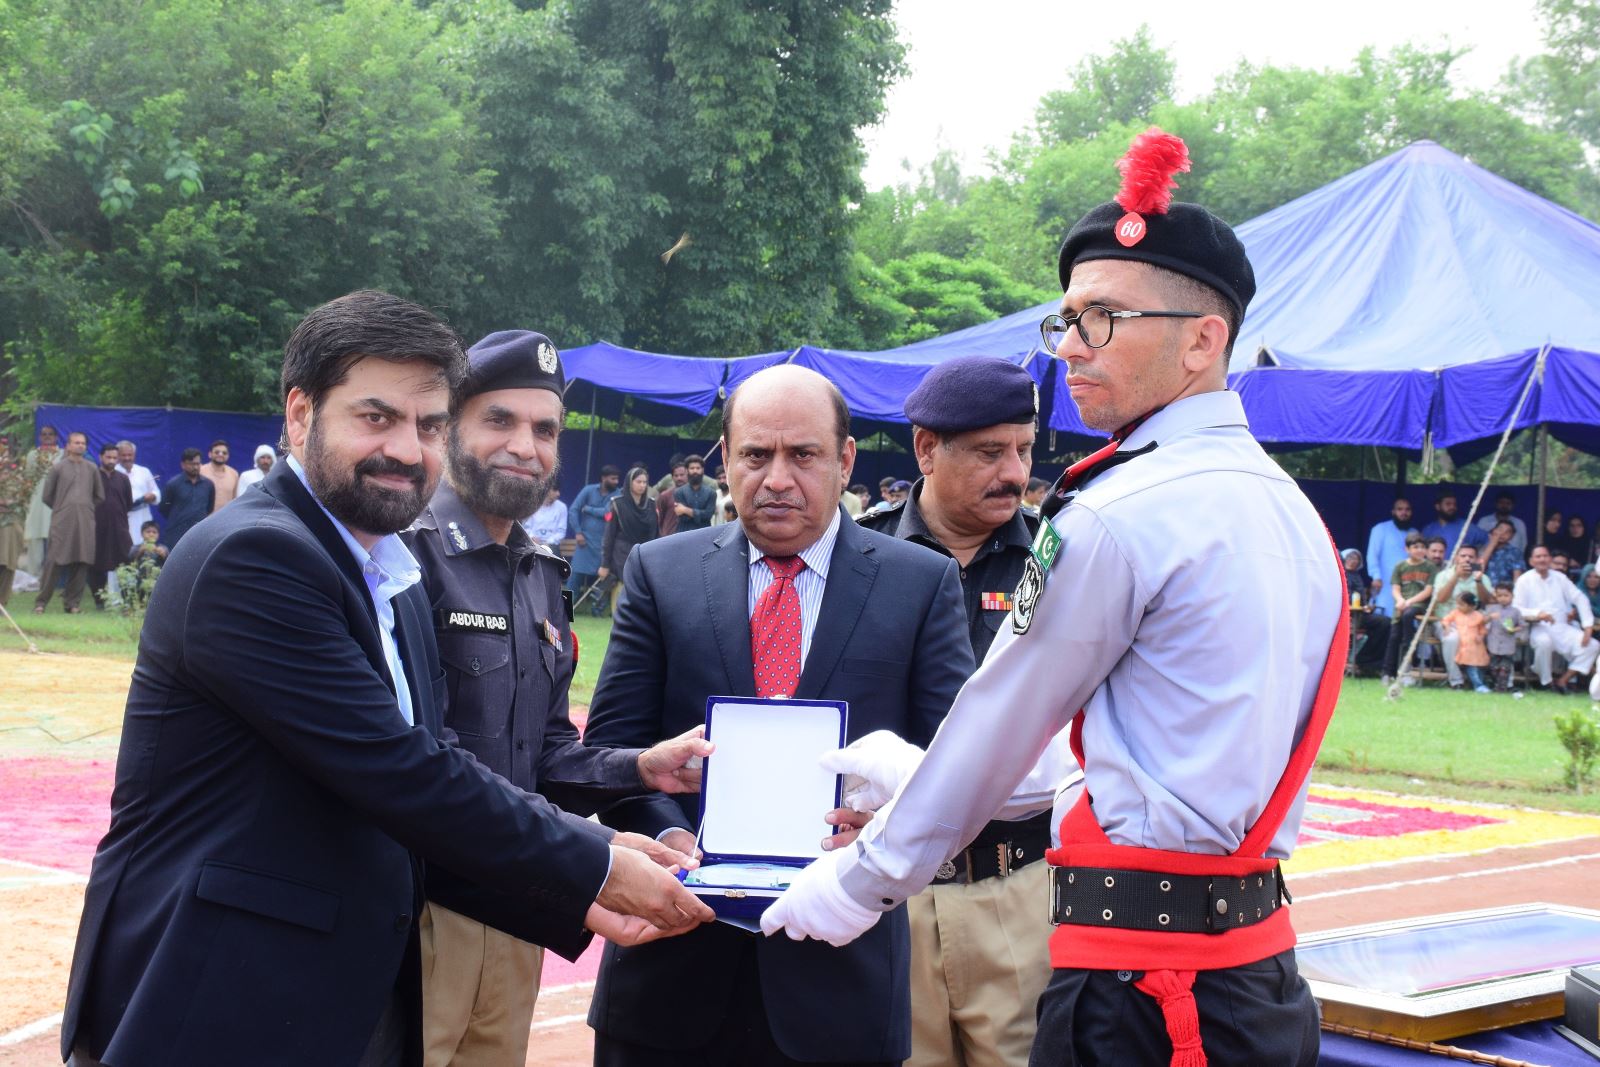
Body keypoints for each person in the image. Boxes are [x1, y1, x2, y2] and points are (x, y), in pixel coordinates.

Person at [764, 129, 1344, 1066]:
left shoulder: (1121, 509)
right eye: (1068, 318)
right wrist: (917, 773)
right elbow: (1138, 762)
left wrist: (859, 883)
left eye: (1104, 318)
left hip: (1144, 990)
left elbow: (1004, 720)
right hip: (1254, 975)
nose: (1070, 345)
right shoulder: (1291, 512)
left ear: (1203, 340)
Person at [61, 290, 712, 1067]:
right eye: (376, 417)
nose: (407, 449)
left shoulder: (389, 572)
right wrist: (595, 866)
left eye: (428, 425)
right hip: (217, 1004)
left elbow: (430, 781)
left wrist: (592, 855)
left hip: (344, 998)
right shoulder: (256, 557)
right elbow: (403, 773)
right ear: (300, 415)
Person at [582, 363, 975, 1067]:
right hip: (670, 974)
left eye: (804, 455)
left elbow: (955, 767)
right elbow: (612, 748)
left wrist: (884, 829)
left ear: (845, 459)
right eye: (757, 454)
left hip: (841, 985)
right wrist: (672, 840)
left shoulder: (921, 582)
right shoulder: (660, 571)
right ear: (726, 458)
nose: (778, 478)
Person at [403, 329, 712, 1067]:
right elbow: (423, 764)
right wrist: (594, 850)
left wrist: (641, 768)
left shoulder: (540, 572)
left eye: (545, 429)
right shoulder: (405, 555)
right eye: (499, 420)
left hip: (518, 909)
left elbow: (542, 751)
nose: (525, 446)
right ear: (449, 426)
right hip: (417, 916)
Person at [856, 355, 1072, 1067]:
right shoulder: (860, 557)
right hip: (890, 892)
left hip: (1017, 887)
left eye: (1024, 450)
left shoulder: (1060, 560)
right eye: (989, 452)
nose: (1015, 473)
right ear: (926, 448)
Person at [1513, 545, 1597, 693]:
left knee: (1593, 645)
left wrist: (1588, 626)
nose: (1542, 559)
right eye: (1538, 556)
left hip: (1562, 627)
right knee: (1543, 642)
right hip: (1538, 626)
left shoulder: (1560, 578)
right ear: (1531, 561)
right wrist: (1537, 613)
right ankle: (1546, 682)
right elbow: (1517, 608)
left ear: (1550, 559)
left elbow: (1580, 598)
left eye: (1545, 556)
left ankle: (1563, 680)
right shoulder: (1524, 580)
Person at [35, 431, 102, 614]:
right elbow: (47, 496)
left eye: (83, 443)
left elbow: (98, 496)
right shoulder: (58, 468)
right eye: (76, 442)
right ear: (68, 445)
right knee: (54, 560)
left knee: (82, 561)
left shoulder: (92, 468)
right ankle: (41, 602)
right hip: (61, 522)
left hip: (85, 522)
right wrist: (64, 508)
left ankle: (72, 604)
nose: (80, 446)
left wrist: (84, 508)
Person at [1432, 545, 1494, 689]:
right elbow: (1440, 599)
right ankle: (1456, 681)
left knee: (1489, 635)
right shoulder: (1443, 575)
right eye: (1463, 556)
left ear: (1476, 560)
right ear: (1456, 558)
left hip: (1474, 623)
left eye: (1471, 557)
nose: (1467, 559)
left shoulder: (1482, 577)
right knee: (1452, 639)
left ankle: (1485, 678)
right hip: (1448, 621)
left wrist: (1478, 581)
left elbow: (1487, 600)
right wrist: (1456, 576)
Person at [598, 466, 658, 616]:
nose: (642, 485)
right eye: (638, 482)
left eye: (645, 482)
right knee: (621, 597)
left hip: (644, 555)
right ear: (630, 482)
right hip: (621, 557)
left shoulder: (651, 504)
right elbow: (609, 536)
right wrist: (605, 564)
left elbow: (656, 534)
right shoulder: (617, 504)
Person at [1382, 533, 1438, 683]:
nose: (1419, 550)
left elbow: (1428, 591)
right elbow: (1395, 588)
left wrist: (1409, 602)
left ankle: (1408, 655)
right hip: (1401, 606)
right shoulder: (1400, 566)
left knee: (1408, 615)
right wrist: (1400, 600)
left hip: (1419, 605)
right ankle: (1387, 672)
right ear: (1407, 549)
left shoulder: (1430, 567)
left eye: (1422, 547)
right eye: (1415, 547)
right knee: (1394, 637)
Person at [568, 464, 619, 615]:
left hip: (605, 544)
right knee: (575, 576)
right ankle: (565, 608)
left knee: (603, 578)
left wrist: (588, 509)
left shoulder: (618, 494)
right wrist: (578, 532)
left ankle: (597, 611)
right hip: (584, 542)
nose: (616, 482)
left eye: (617, 479)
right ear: (603, 478)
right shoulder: (588, 490)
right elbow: (573, 510)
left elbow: (608, 513)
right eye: (613, 479)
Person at [90, 444, 134, 609]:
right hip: (96, 527)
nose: (112, 461)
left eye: (115, 458)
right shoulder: (93, 476)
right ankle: (99, 601)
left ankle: (127, 599)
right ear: (101, 457)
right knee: (96, 563)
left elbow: (128, 503)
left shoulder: (123, 478)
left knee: (125, 560)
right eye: (108, 457)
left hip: (119, 527)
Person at [1365, 497, 1416, 616]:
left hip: (1409, 583)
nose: (1404, 513)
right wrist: (1376, 576)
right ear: (1393, 512)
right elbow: (1372, 555)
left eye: (1407, 509)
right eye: (1400, 509)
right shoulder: (1380, 529)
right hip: (1384, 582)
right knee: (1383, 615)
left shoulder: (1414, 533)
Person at [1342, 548, 1390, 676]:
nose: (1353, 561)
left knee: (1385, 623)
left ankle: (1369, 661)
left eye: (1356, 559)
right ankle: (1362, 659)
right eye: (1350, 557)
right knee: (1382, 623)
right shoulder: (1339, 575)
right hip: (1346, 615)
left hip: (1360, 614)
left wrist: (1366, 606)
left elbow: (1360, 598)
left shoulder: (1357, 576)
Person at [22, 424, 60, 576]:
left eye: (50, 434)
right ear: (39, 437)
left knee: (55, 539)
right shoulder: (32, 455)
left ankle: (53, 576)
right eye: (44, 434)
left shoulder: (63, 455)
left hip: (56, 502)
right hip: (36, 502)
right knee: (35, 537)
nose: (47, 437)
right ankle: (33, 575)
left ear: (56, 437)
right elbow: (28, 478)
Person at [158, 447, 214, 548]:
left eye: (198, 464)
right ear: (183, 465)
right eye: (191, 464)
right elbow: (163, 508)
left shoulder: (208, 484)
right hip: (177, 534)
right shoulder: (173, 484)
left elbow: (209, 508)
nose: (195, 467)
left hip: (200, 533)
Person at [1440, 591, 1492, 693]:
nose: (1458, 606)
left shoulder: (1478, 616)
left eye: (1461, 604)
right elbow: (1446, 620)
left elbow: (1482, 628)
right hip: (1463, 646)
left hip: (1474, 647)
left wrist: (1481, 636)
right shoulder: (1455, 613)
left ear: (1471, 606)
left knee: (1476, 666)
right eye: (1457, 604)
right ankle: (1477, 685)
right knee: (1468, 666)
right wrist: (1447, 627)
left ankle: (1478, 684)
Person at [0, 435, 29, 606]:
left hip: (11, 525)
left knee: (7, 564)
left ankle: (2, 601)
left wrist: (8, 503)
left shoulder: (17, 476)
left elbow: (22, 500)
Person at [116, 440, 160, 545]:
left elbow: (156, 492)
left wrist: (153, 496)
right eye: (124, 455)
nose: (127, 458)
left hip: (142, 516)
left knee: (144, 547)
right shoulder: (114, 472)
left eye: (130, 455)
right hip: (123, 517)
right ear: (118, 455)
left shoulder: (144, 471)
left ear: (134, 455)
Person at [1484, 583, 1525, 691]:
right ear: (1496, 596)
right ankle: (1496, 685)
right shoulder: (1492, 609)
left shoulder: (1516, 611)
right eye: (1500, 596)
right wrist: (1490, 617)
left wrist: (1513, 630)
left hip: (1508, 645)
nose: (1503, 598)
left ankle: (1501, 689)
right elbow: (1482, 621)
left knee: (1504, 669)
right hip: (1493, 644)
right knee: (1494, 668)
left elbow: (1522, 625)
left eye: (1506, 596)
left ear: (1512, 596)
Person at [1420, 490, 1487, 551]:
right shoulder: (1428, 529)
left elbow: (1489, 540)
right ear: (1438, 507)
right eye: (1448, 504)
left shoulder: (1467, 526)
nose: (1452, 507)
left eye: (1454, 504)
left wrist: (1481, 558)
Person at [672, 453, 718, 532]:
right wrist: (700, 514)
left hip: (704, 533)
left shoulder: (711, 493)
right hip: (684, 533)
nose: (695, 471)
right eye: (692, 468)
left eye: (698, 468)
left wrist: (685, 510)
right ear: (687, 470)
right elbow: (683, 517)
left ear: (702, 470)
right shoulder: (679, 492)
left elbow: (708, 515)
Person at [198, 439, 240, 511]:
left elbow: (234, 499)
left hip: (226, 516)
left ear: (228, 456)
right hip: (204, 516)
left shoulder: (234, 474)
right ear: (210, 454)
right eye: (217, 452)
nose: (220, 454)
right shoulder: (200, 471)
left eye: (224, 453)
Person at [1481, 518, 1524, 588]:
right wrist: (1491, 545)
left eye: (1507, 532)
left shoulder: (1515, 552)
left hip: (1505, 591)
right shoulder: (1481, 548)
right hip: (1484, 590)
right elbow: (1477, 569)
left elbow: (1517, 576)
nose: (1502, 533)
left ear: (1512, 536)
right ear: (1493, 530)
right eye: (1500, 529)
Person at [655, 460, 688, 537]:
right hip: (669, 537)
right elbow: (659, 519)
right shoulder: (665, 496)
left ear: (687, 475)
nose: (679, 478)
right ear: (672, 477)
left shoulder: (695, 494)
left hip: (689, 536)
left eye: (682, 475)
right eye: (676, 475)